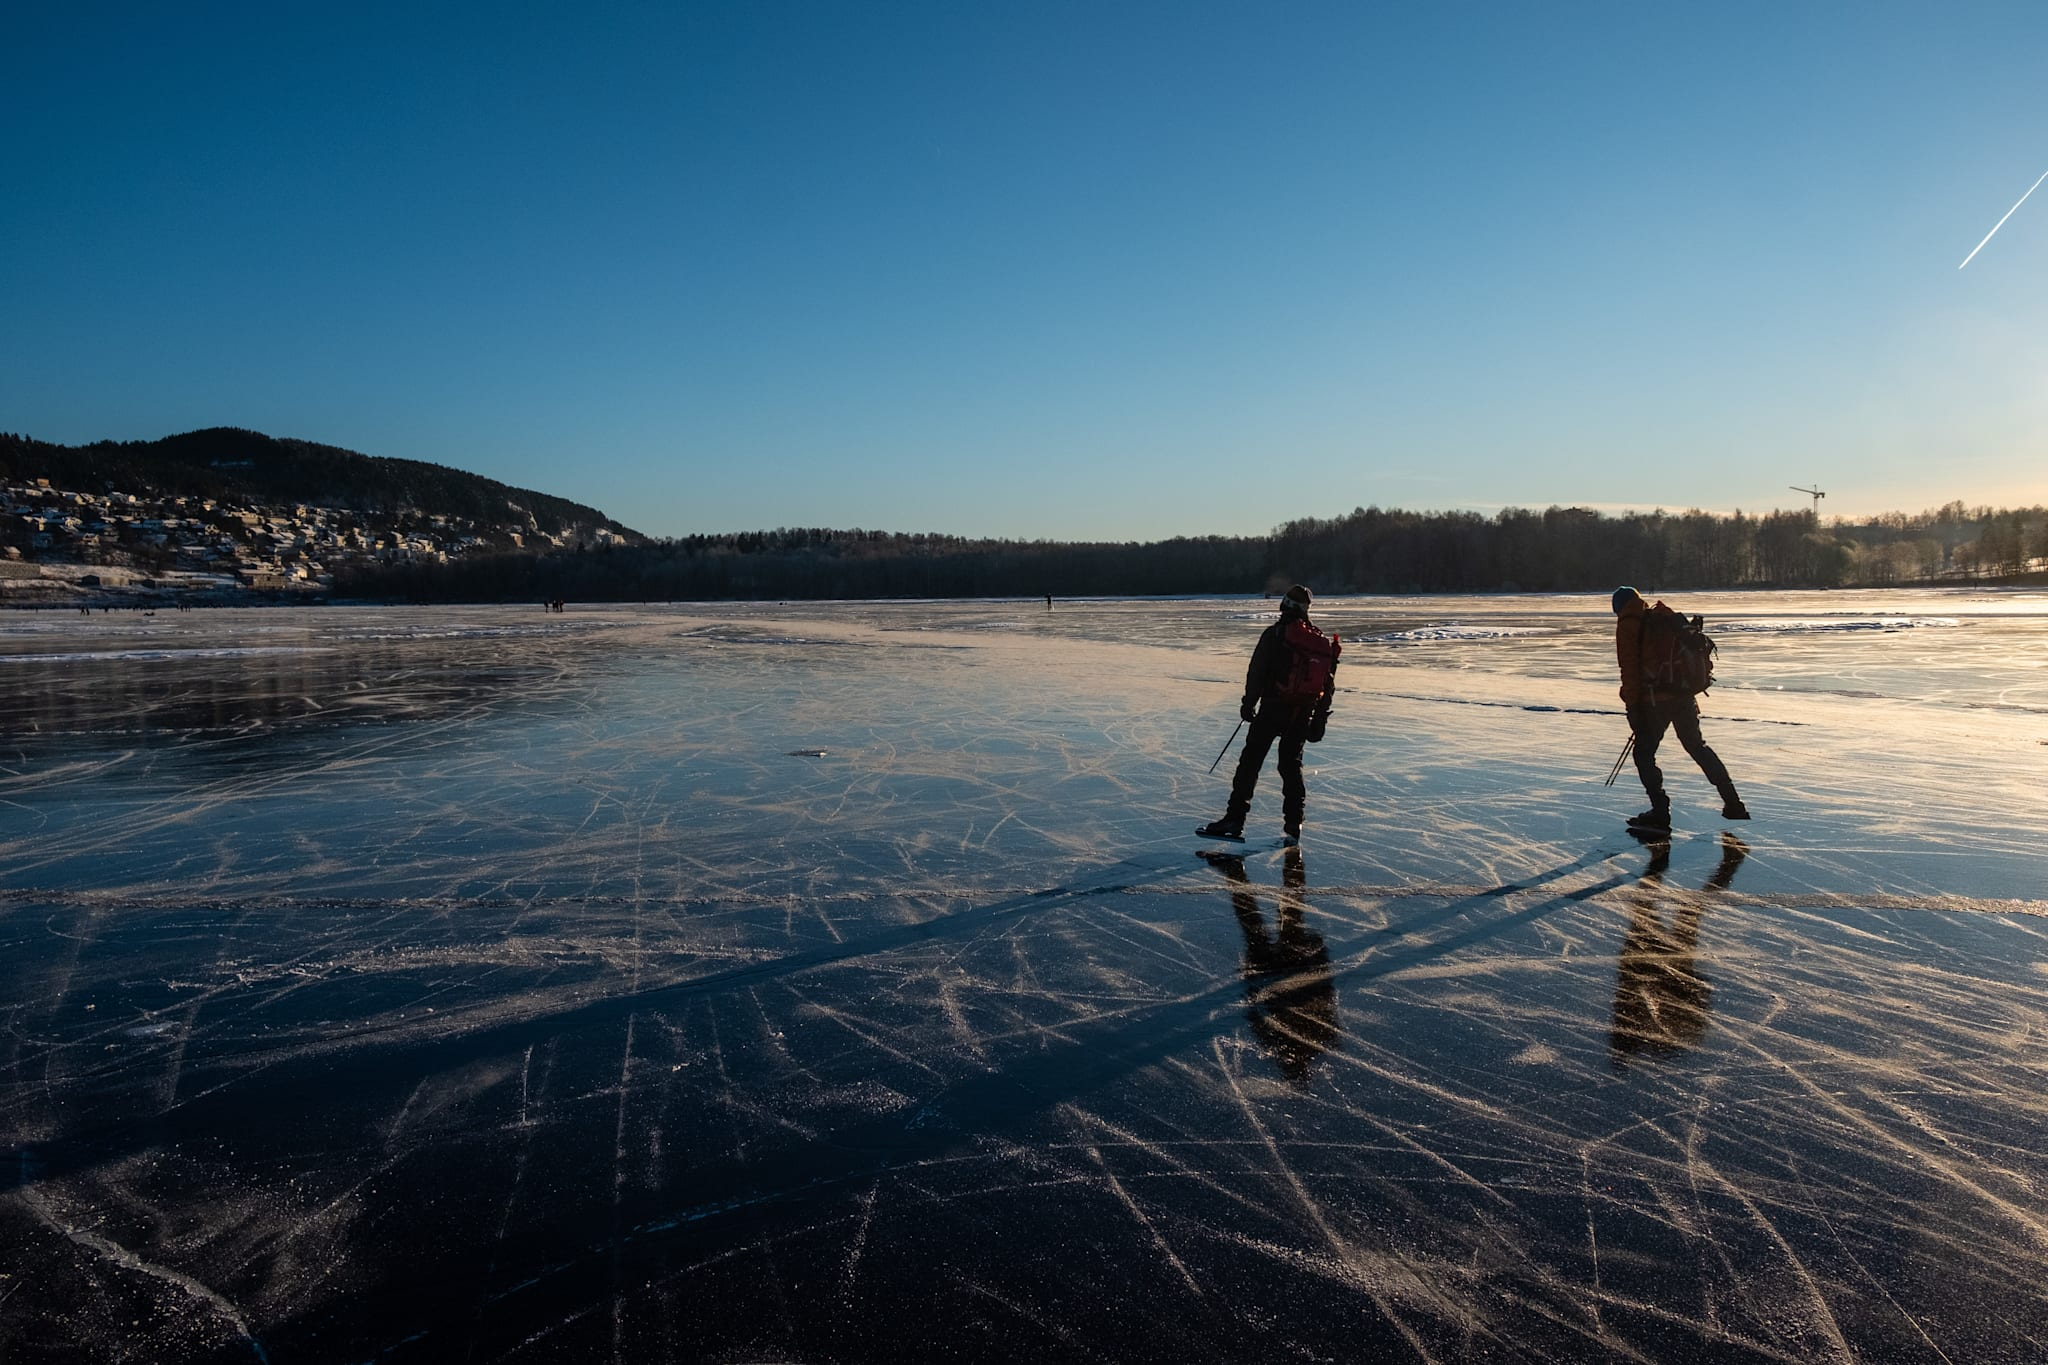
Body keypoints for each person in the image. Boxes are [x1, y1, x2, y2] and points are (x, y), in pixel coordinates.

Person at [1197, 584, 1338, 845]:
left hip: (1273, 709)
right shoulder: (1318, 641)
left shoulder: (1275, 635)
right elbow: (1327, 684)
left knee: (1250, 763)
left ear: (1284, 604)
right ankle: (1294, 824)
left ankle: (1234, 819)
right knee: (1291, 767)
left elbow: (1257, 672)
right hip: (1301, 714)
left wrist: (1248, 704)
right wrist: (1318, 719)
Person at [1612, 586, 1749, 833]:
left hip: (1655, 700)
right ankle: (1733, 803)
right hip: (1684, 696)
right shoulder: (1663, 617)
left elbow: (1629, 670)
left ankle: (1660, 812)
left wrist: (1633, 708)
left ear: (1619, 607)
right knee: (1697, 747)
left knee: (1643, 754)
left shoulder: (1628, 624)